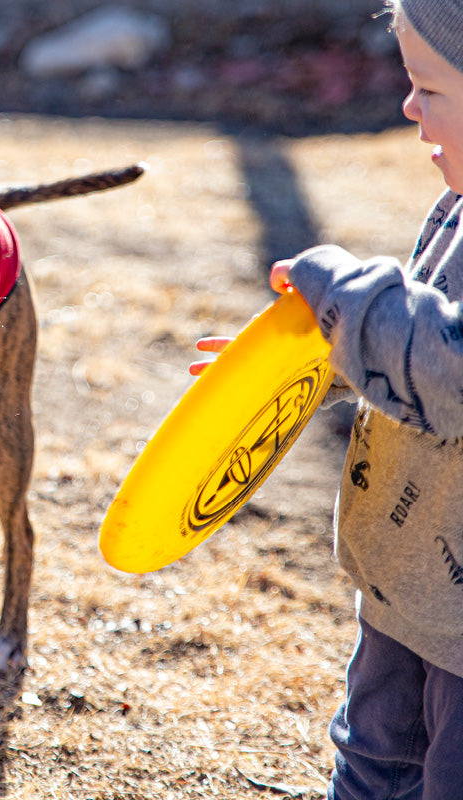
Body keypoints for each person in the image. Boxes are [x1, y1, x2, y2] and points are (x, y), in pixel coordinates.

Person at [192, 1, 463, 797]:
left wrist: (343, 290)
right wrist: (320, 360)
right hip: (399, 582)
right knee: (372, 763)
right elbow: (416, 357)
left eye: (431, 89)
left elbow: (453, 374)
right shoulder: (454, 210)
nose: (409, 108)